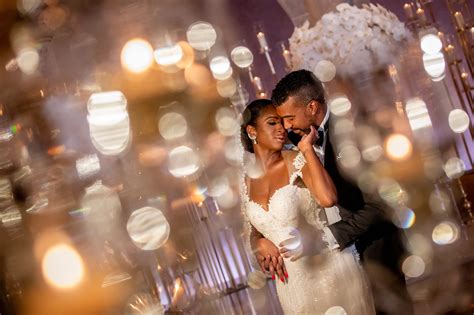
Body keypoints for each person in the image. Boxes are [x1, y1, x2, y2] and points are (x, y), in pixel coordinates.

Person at [252, 69, 412, 315]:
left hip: (374, 250)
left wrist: (328, 238)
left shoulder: (354, 129)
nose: (286, 126)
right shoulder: (292, 142)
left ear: (312, 107)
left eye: (289, 117)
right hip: (325, 268)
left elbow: (382, 204)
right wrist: (258, 240)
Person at [241, 99, 375, 314]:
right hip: (290, 283)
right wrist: (258, 242)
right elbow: (254, 227)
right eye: (272, 123)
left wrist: (306, 150)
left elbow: (328, 199)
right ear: (251, 130)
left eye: (283, 122)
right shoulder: (245, 181)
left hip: (327, 267)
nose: (282, 128)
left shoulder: (297, 159)